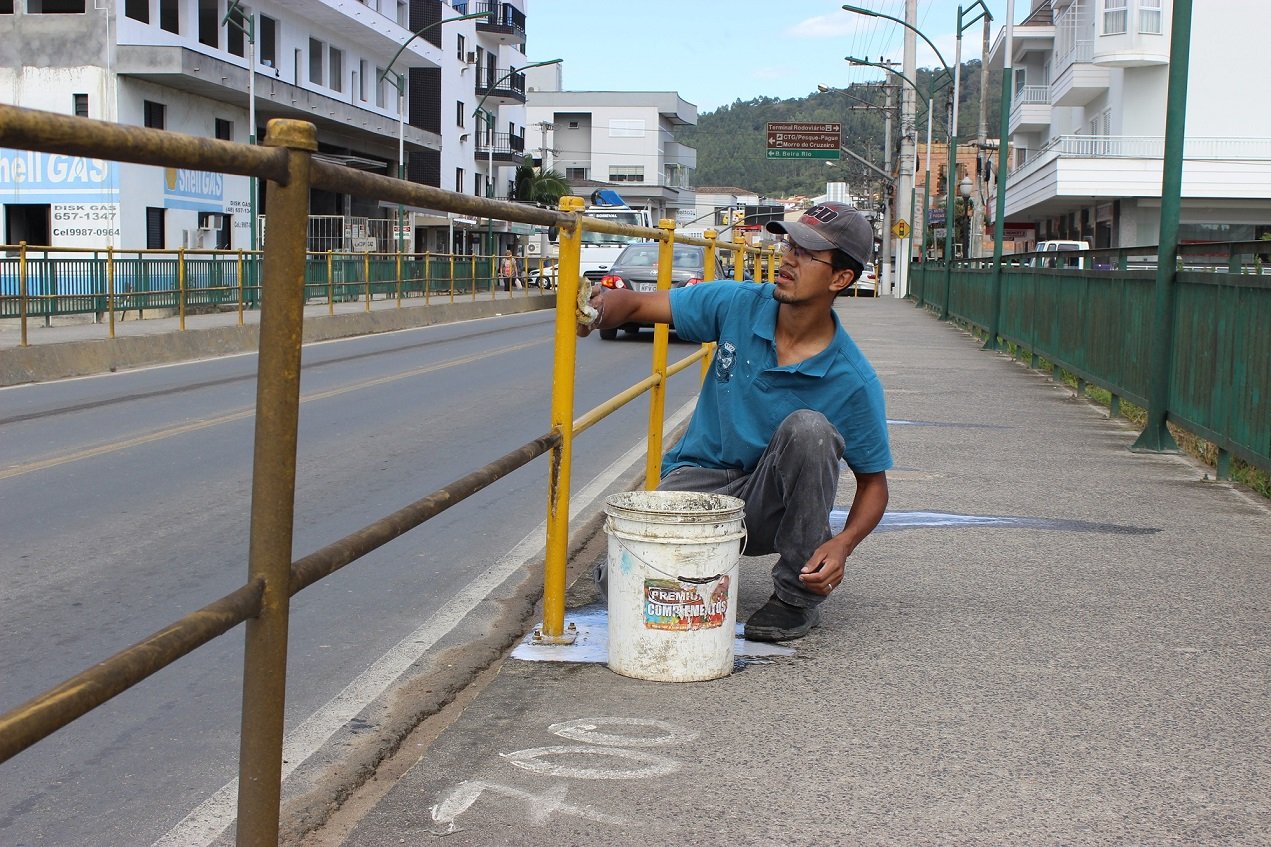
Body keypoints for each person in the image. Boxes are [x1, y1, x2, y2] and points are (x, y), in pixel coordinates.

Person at [577, 201, 891, 641]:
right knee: (622, 589)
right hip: (701, 481)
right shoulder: (739, 303)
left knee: (810, 430)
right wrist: (598, 308)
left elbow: (874, 485)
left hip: (770, 507)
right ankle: (665, 554)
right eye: (789, 244)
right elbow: (636, 305)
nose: (787, 257)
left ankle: (794, 600)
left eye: (806, 253)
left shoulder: (852, 380)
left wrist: (842, 545)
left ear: (840, 278)